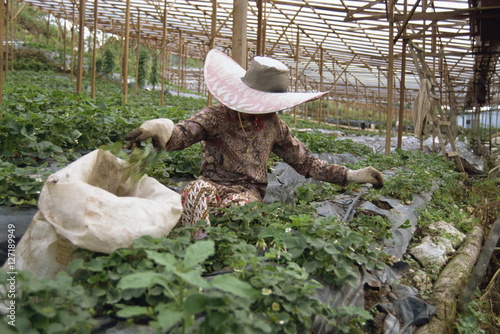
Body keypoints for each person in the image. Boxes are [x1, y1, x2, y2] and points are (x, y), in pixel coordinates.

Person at [125, 49, 384, 231]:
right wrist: (161, 128)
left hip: (247, 193)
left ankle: (229, 248)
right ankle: (197, 246)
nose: (268, 108)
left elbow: (305, 163)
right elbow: (183, 135)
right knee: (196, 190)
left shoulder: (275, 126)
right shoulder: (216, 116)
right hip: (212, 184)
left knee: (239, 209)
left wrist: (351, 175)